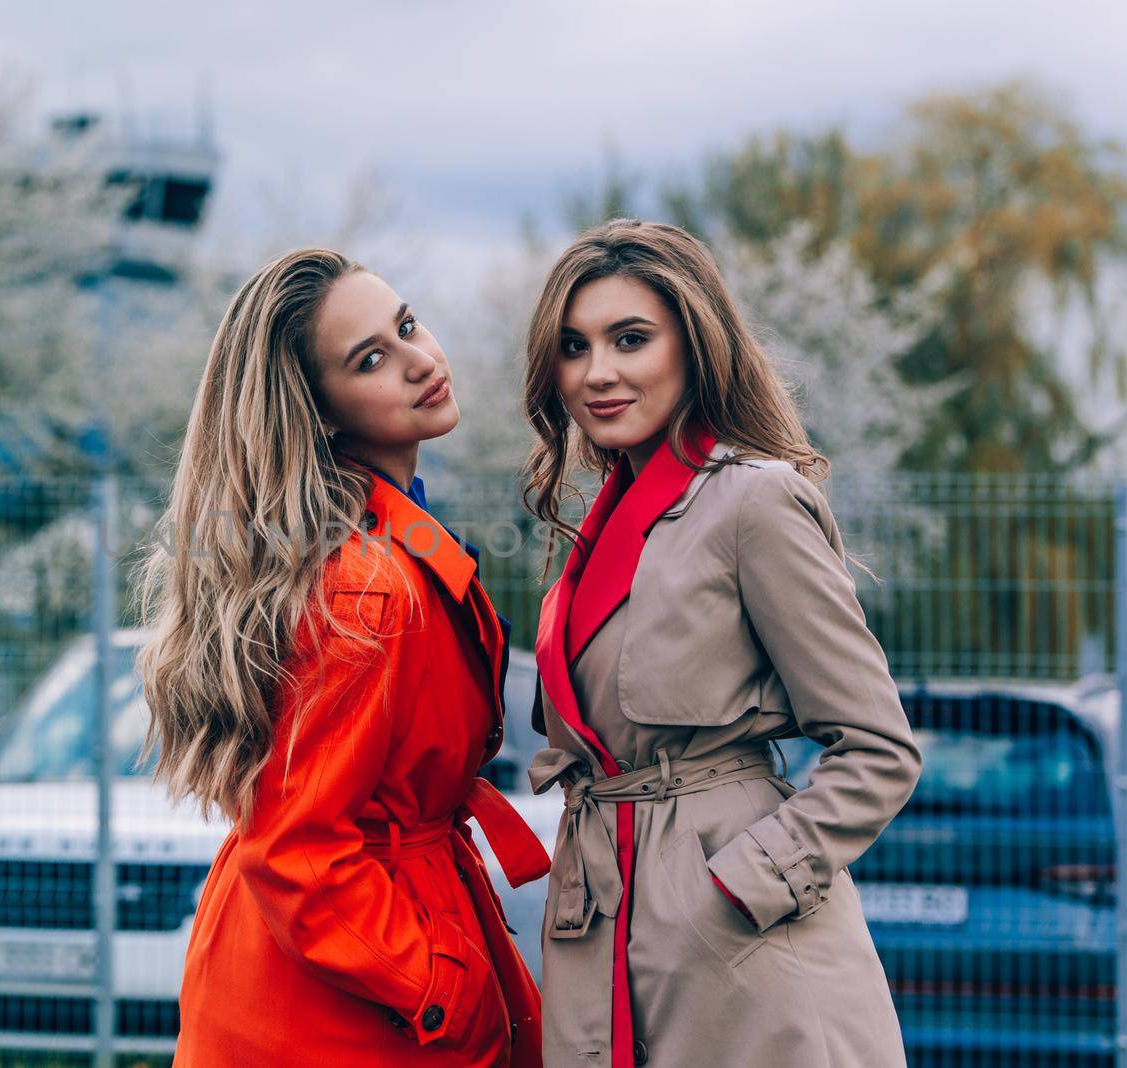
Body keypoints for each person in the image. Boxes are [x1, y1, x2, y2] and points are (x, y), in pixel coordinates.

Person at [519, 219, 922, 1067]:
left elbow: (879, 748)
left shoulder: (755, 502)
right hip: (604, 918)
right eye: (574, 345)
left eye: (631, 339)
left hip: (743, 950)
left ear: (694, 345)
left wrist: (742, 885)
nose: (599, 372)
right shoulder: (590, 536)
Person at [139, 248, 550, 1067]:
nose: (420, 360)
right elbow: (298, 851)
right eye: (371, 359)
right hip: (345, 997)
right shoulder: (361, 586)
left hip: (354, 956)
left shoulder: (388, 540)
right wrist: (442, 988)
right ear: (320, 412)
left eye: (406, 326)